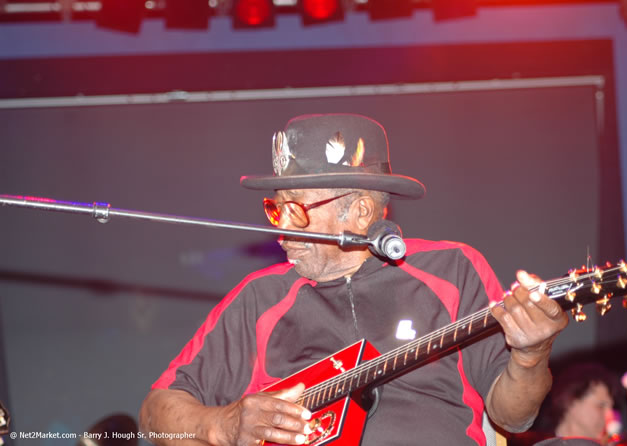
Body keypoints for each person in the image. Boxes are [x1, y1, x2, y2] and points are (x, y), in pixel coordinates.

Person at [139, 113, 569, 445]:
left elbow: (514, 417)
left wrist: (531, 355)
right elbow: (155, 415)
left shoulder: (452, 269)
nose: (281, 229)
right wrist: (223, 424)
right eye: (276, 208)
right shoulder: (259, 298)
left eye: (296, 208)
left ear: (360, 212)